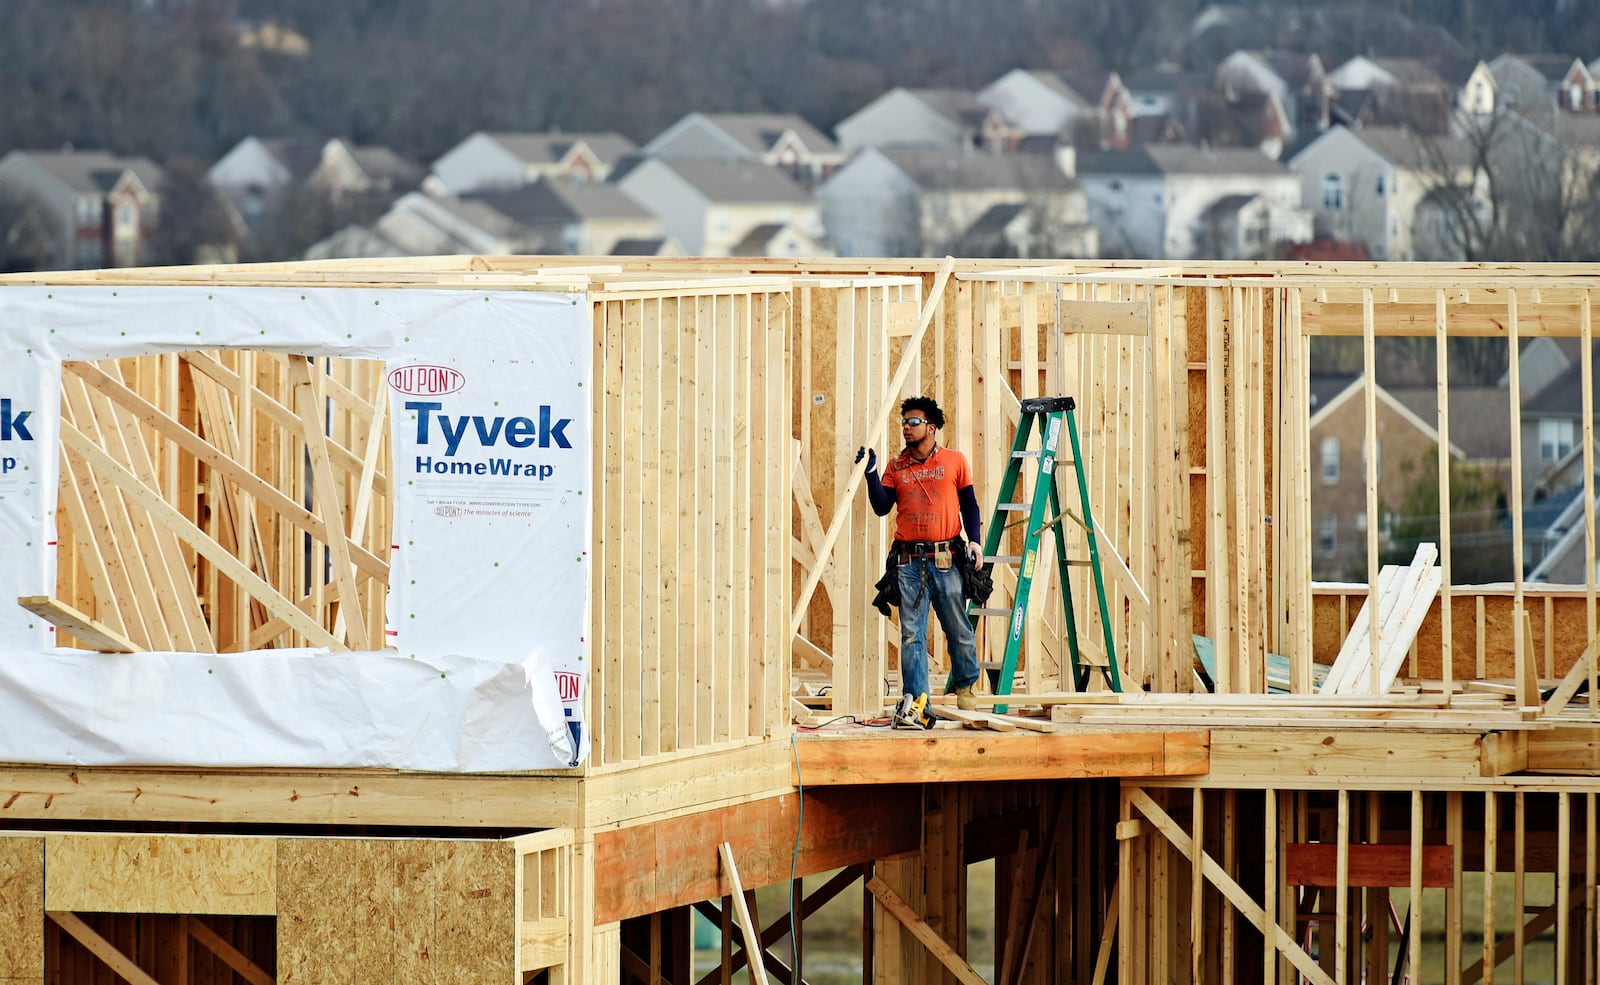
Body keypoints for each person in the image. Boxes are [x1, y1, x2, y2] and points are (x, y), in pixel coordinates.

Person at [856, 396, 984, 728]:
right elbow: (882, 506)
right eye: (904, 423)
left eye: (913, 422)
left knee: (957, 626)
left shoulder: (955, 461)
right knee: (912, 633)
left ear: (931, 426)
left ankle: (967, 685)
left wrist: (975, 541)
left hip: (946, 557)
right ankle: (917, 701)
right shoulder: (896, 466)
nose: (906, 429)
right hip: (909, 561)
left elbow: (970, 506)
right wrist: (871, 474)